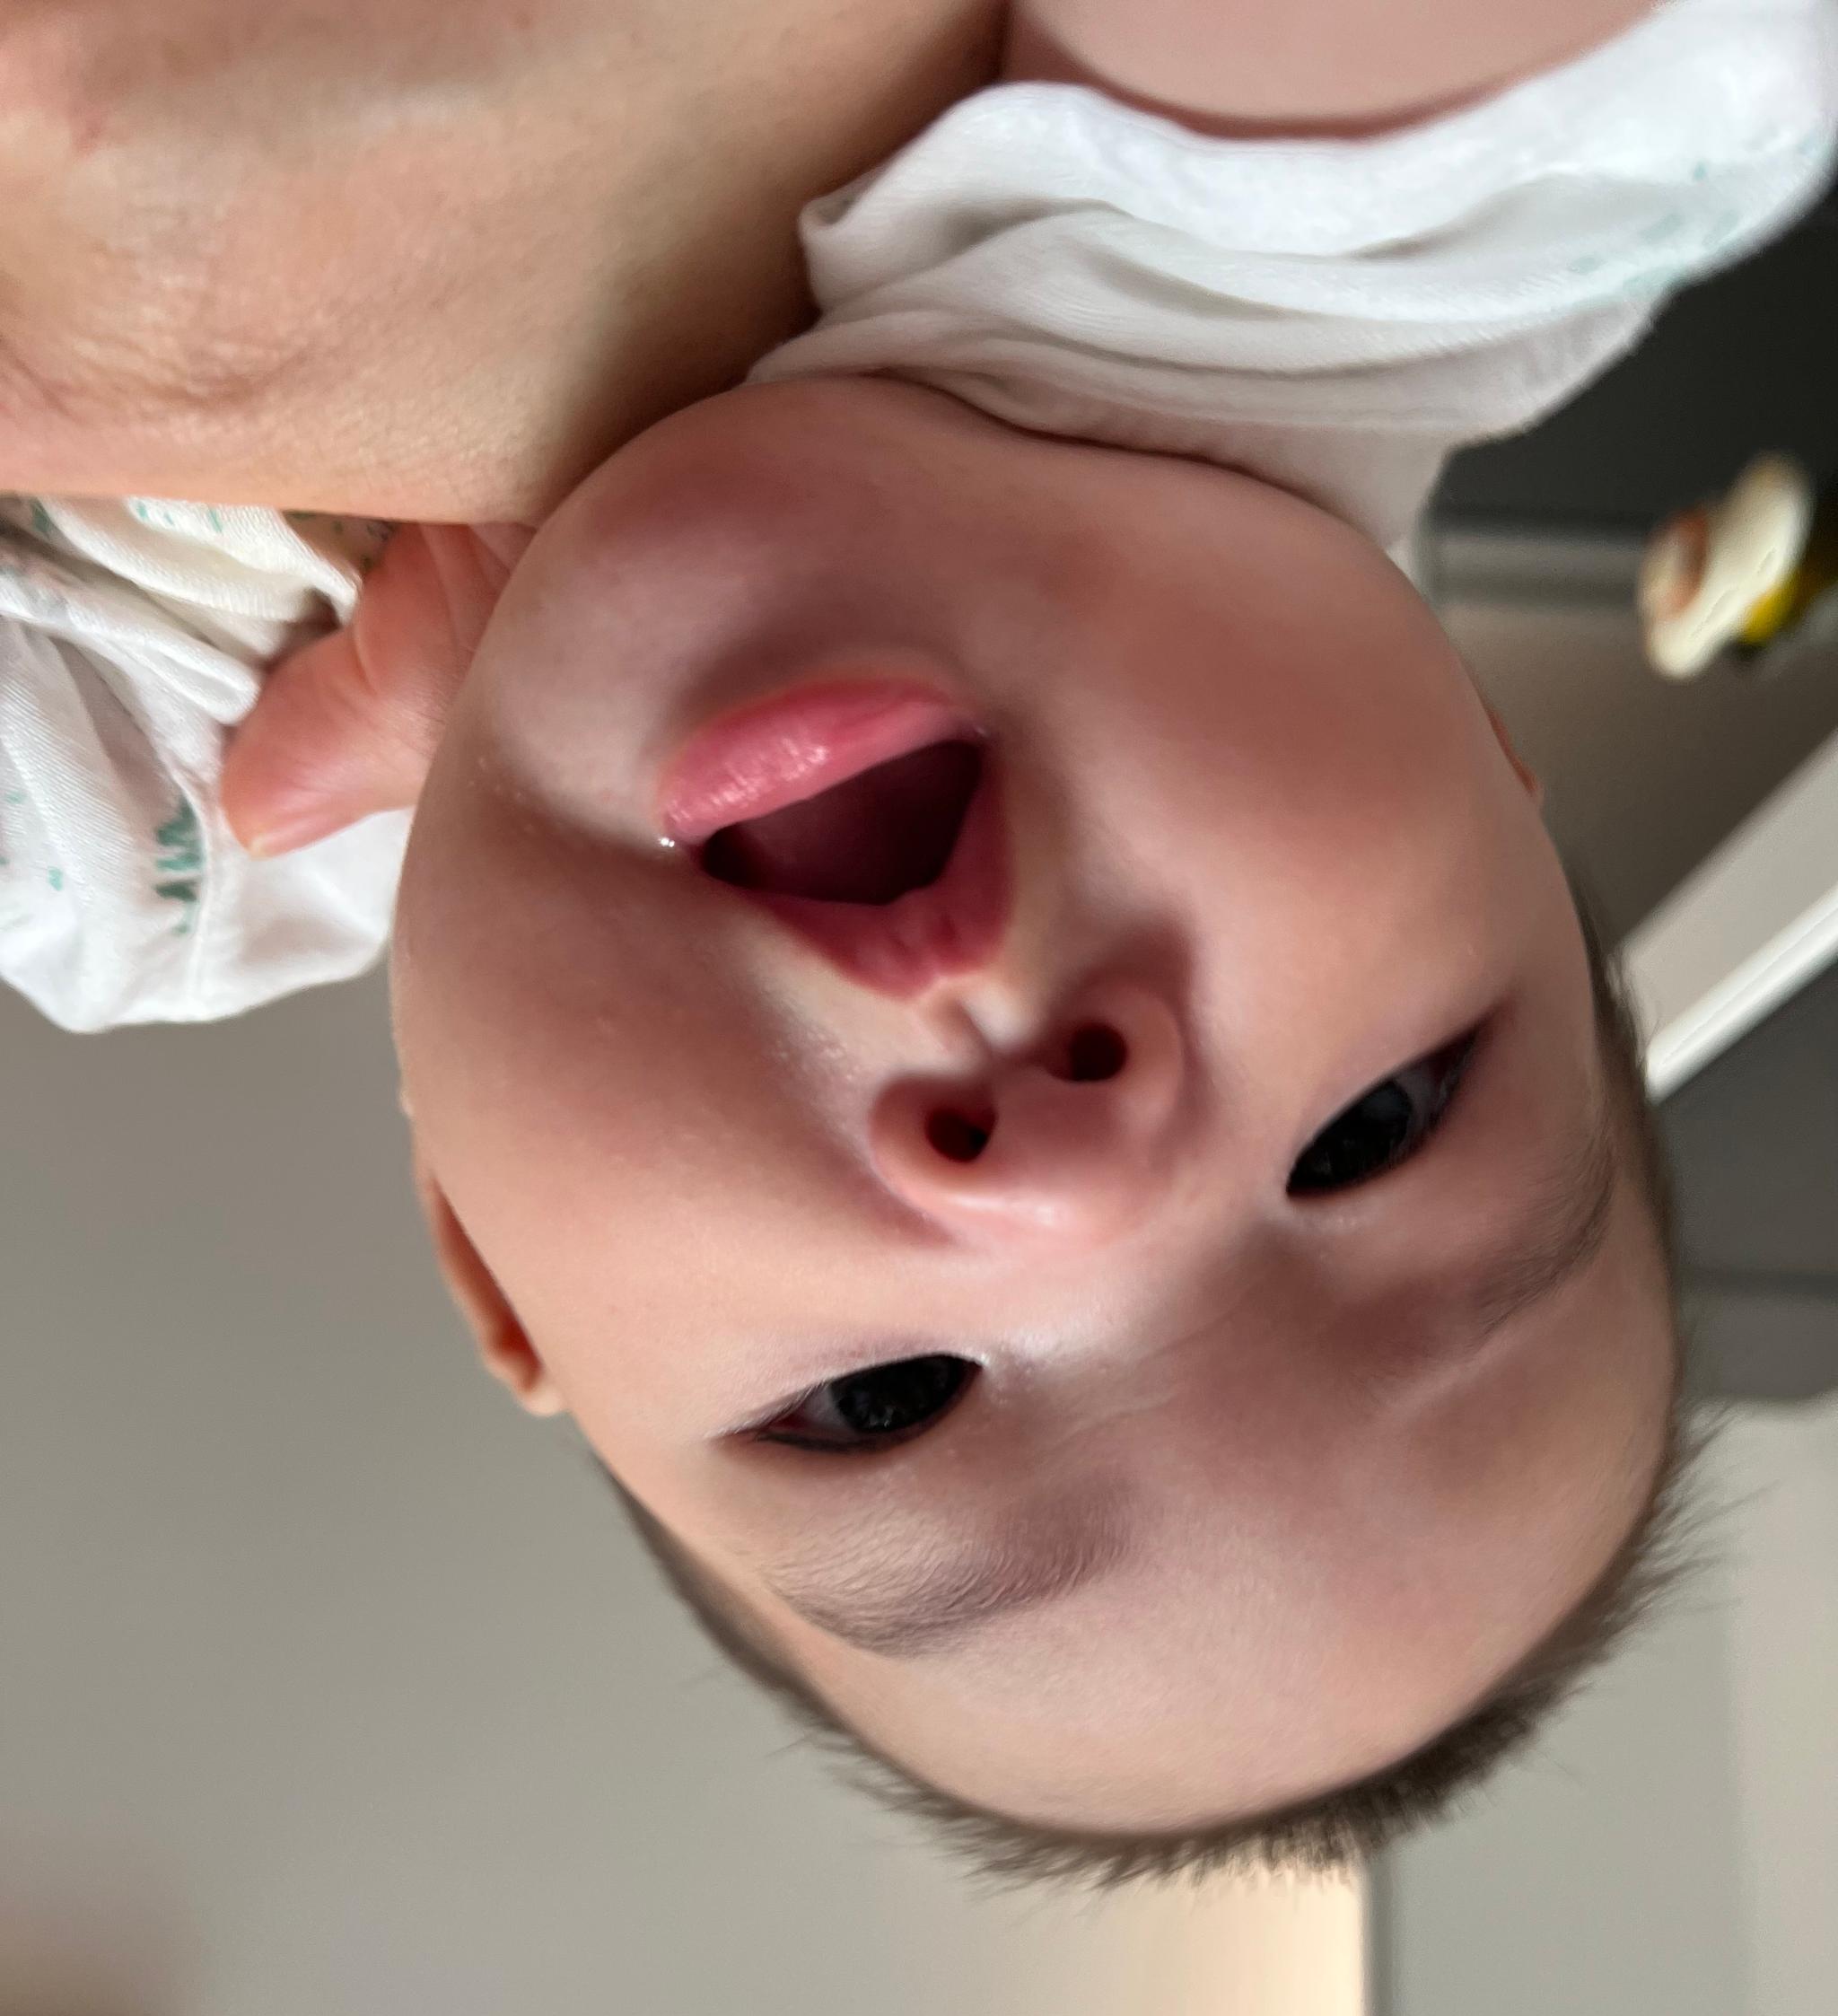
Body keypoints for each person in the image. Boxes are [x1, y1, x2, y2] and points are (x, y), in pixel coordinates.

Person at [4, 0, 1833, 1883]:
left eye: (882, 1404)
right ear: (1487, 757)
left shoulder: (123, 827)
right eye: (1374, 1127)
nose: (1065, 1173)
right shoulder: (1361, 240)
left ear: (490, 1256)